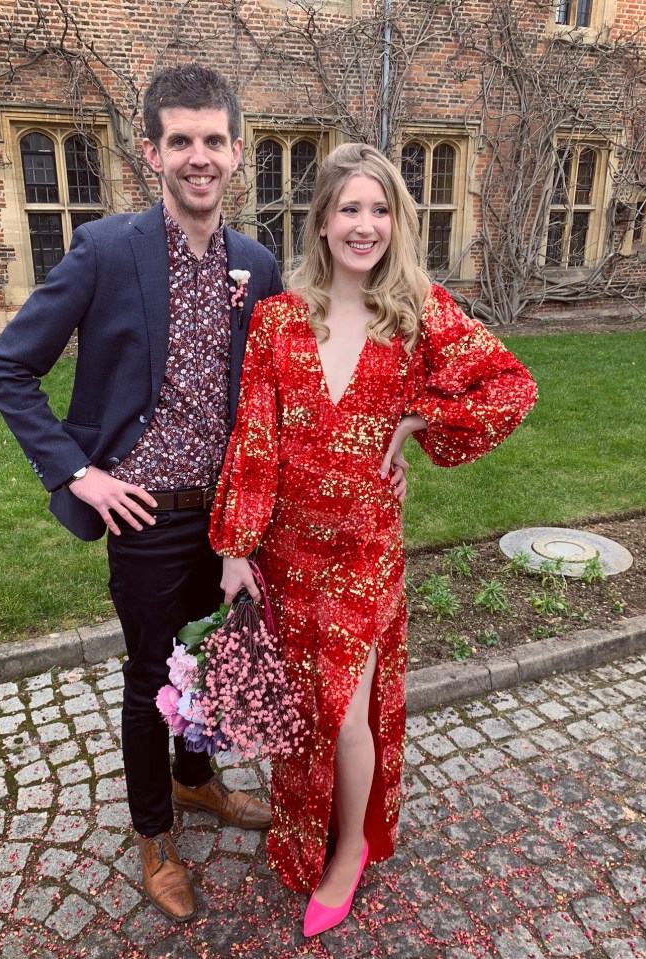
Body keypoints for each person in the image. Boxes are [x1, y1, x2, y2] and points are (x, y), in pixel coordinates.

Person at [209, 142, 538, 936]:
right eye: (350, 209)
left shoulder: (419, 315)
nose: (366, 225)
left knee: (347, 711)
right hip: (287, 556)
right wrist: (235, 545)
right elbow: (255, 437)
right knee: (305, 711)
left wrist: (423, 418)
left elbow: (511, 387)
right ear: (321, 222)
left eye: (381, 209)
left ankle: (350, 847)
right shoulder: (278, 321)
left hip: (363, 555)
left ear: (398, 221)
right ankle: (307, 826)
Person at [0, 65, 284, 923]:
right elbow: (7, 368)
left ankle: (196, 780)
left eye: (214, 140)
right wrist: (81, 472)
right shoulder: (107, 250)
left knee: (220, 660)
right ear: (152, 152)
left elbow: (276, 397)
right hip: (144, 513)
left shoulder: (256, 267)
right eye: (180, 140)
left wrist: (389, 442)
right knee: (152, 672)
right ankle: (155, 830)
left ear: (235, 152)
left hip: (227, 520)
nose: (199, 156)